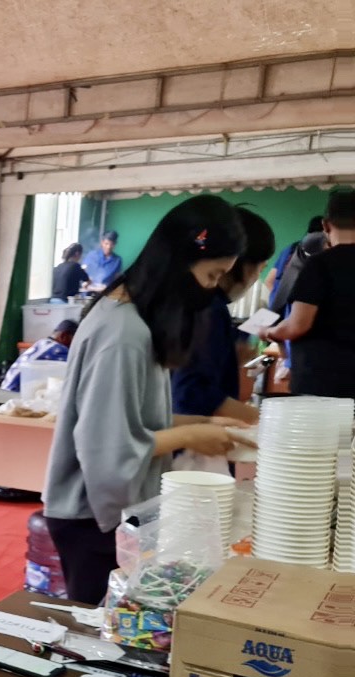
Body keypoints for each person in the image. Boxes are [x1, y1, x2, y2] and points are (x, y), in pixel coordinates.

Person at [42, 196, 248, 604]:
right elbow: (107, 445)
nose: (212, 289)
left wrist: (203, 424)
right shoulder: (123, 334)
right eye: (212, 275)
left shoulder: (134, 319)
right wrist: (190, 435)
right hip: (90, 515)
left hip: (99, 511)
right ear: (179, 263)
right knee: (103, 626)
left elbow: (131, 419)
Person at [171, 207, 276, 424]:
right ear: (239, 263)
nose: (256, 278)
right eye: (260, 268)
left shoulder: (188, 300)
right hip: (193, 436)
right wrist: (265, 422)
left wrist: (229, 356)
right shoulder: (209, 308)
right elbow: (191, 392)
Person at [264, 187, 355, 399]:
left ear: (325, 225)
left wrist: (270, 331)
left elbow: (297, 326)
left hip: (322, 381)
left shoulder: (319, 264)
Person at [1, 319, 78, 392]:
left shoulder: (42, 343)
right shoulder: (58, 350)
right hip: (15, 393)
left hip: (5, 390)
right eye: (74, 341)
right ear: (63, 336)